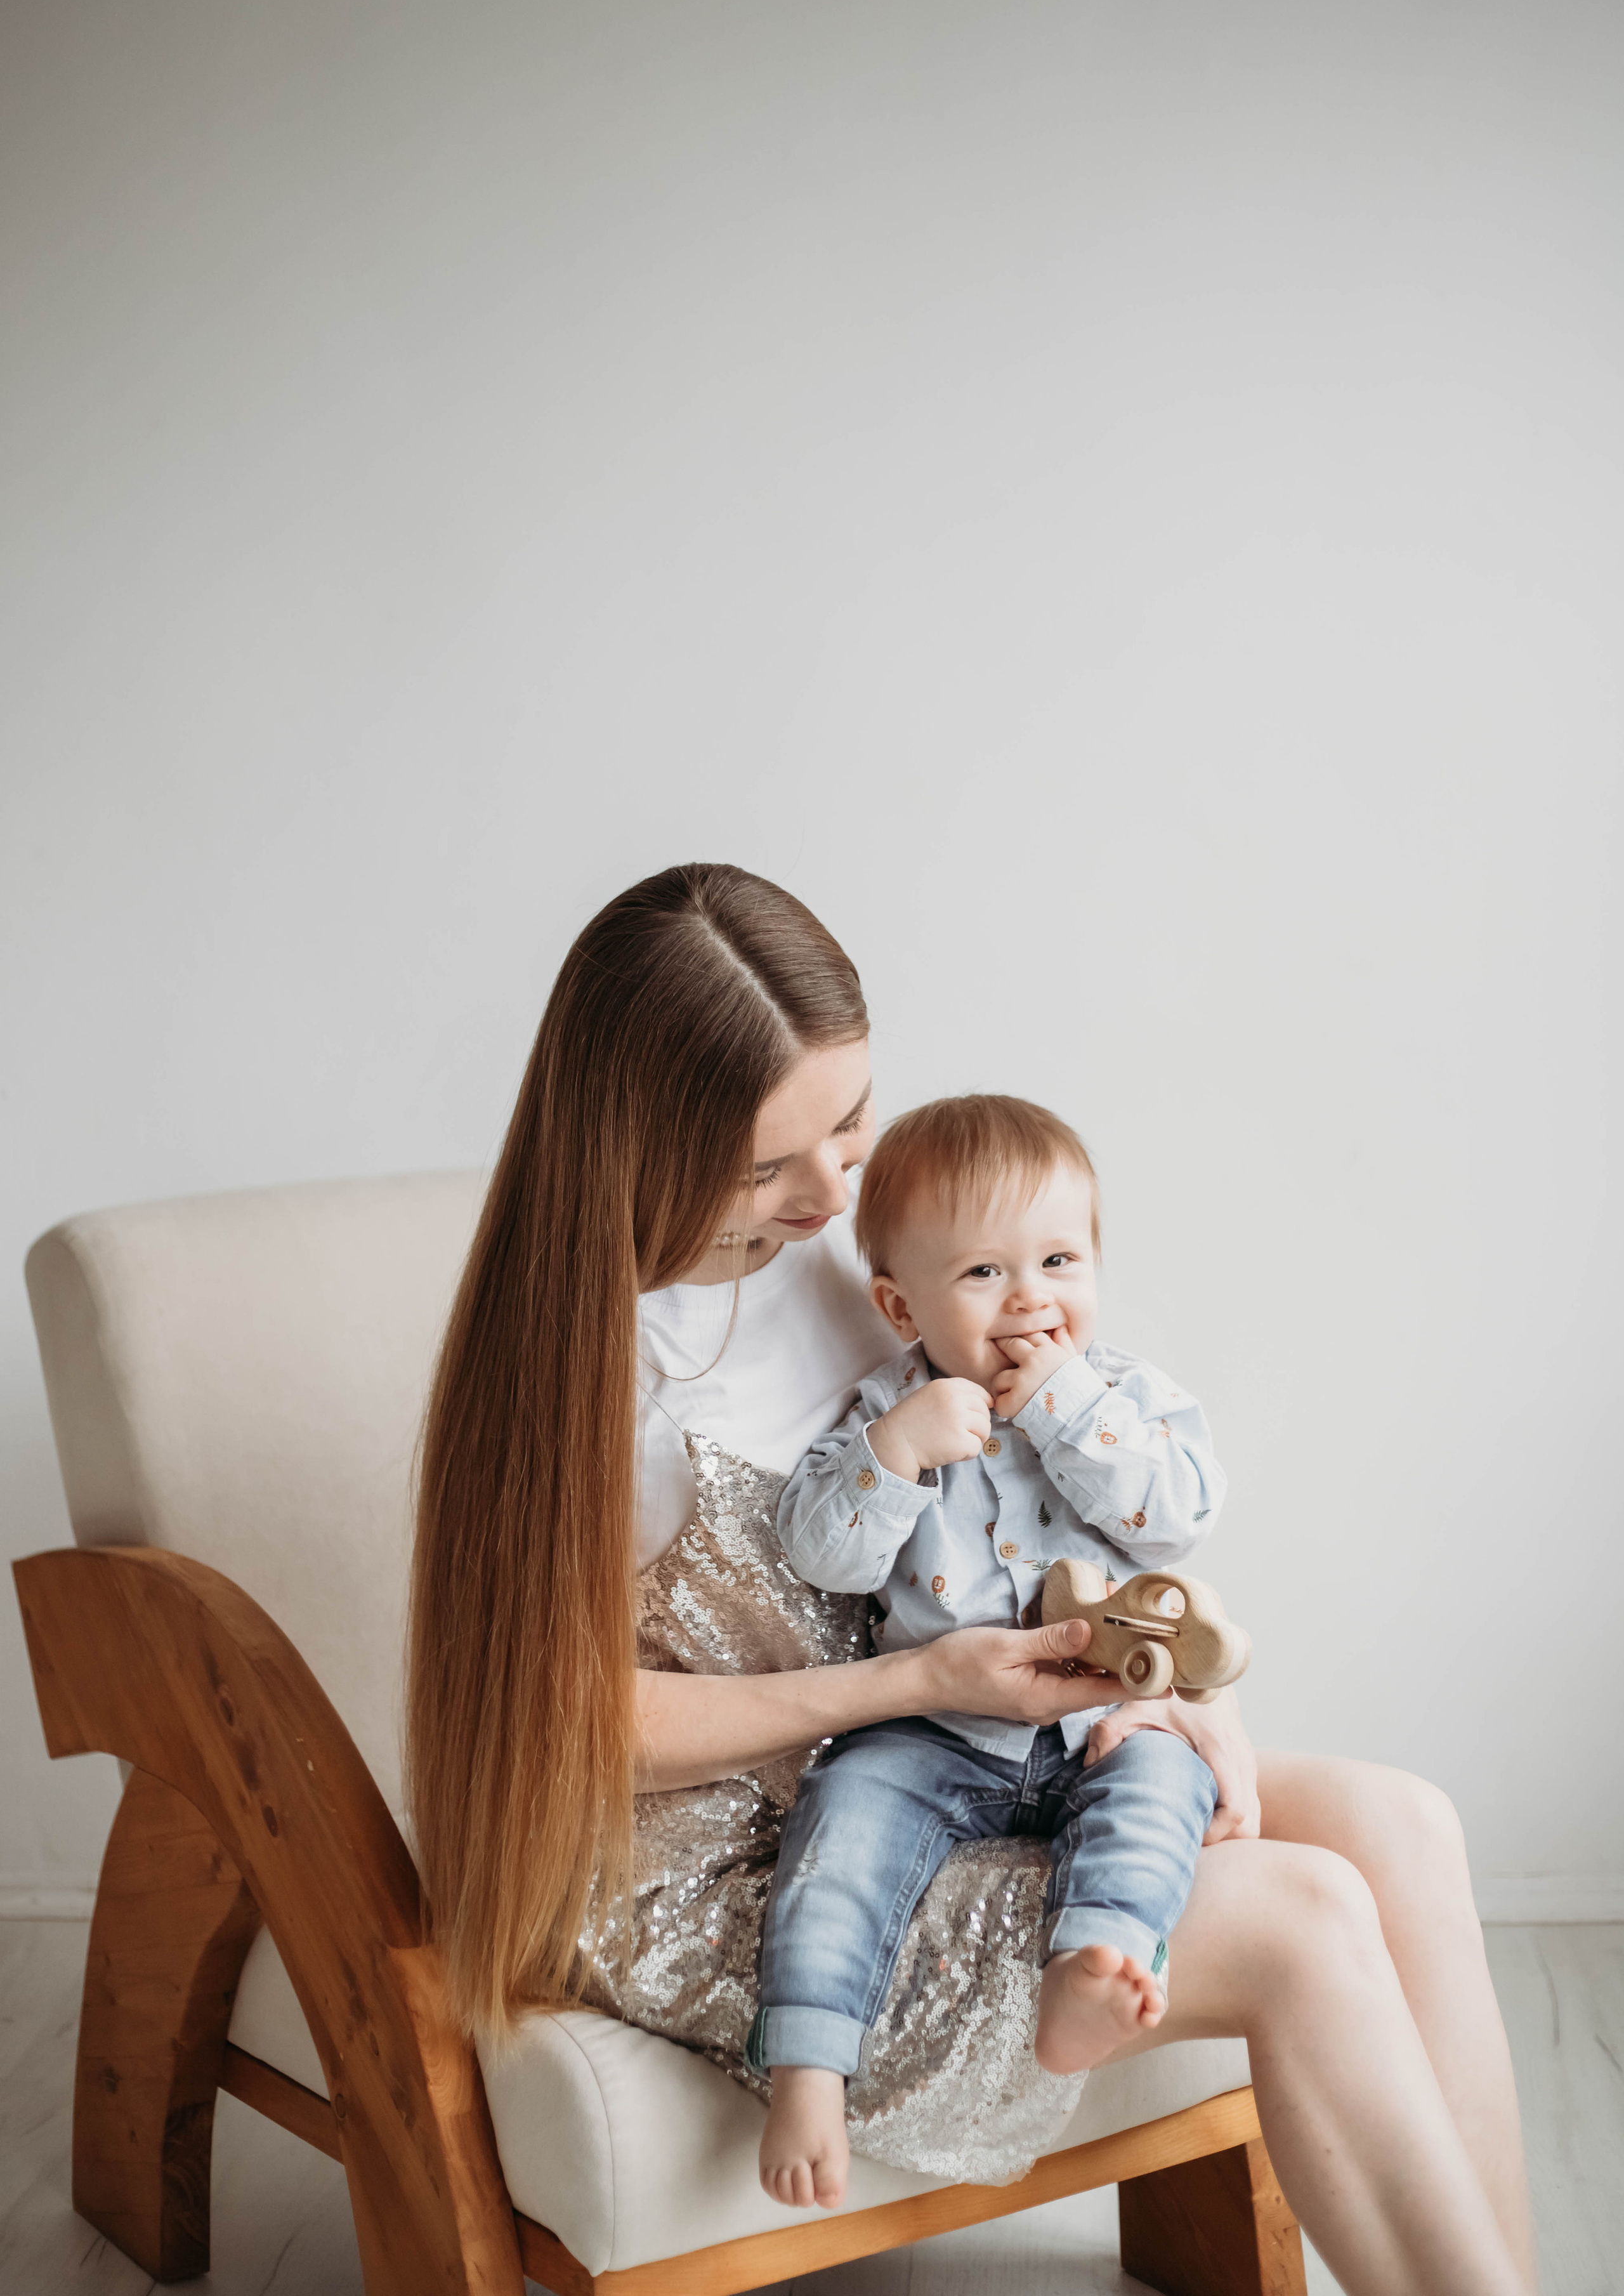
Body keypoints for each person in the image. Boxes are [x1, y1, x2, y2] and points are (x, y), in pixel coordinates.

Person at [408, 862, 1538, 2296]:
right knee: (1304, 1918)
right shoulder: (582, 1376)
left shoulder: (843, 1265)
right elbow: (565, 1730)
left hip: (956, 1753)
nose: (834, 1189)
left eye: (851, 1122)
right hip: (737, 1867)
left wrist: (1178, 1699)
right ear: (643, 1145)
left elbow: (1038, 1526)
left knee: (1401, 1824)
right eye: (769, 1165)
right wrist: (917, 1682)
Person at [756, 1094, 1226, 2206]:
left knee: (1164, 1786)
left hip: (1101, 1720)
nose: (1032, 1300)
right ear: (899, 1302)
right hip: (933, 1737)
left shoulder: (1127, 1401)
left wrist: (1067, 1408)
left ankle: (1097, 1966)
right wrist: (895, 1454)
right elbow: (823, 1557)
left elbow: (1178, 1515)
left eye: (1059, 1259)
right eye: (982, 1276)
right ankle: (810, 2064)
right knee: (841, 1826)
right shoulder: (888, 1408)